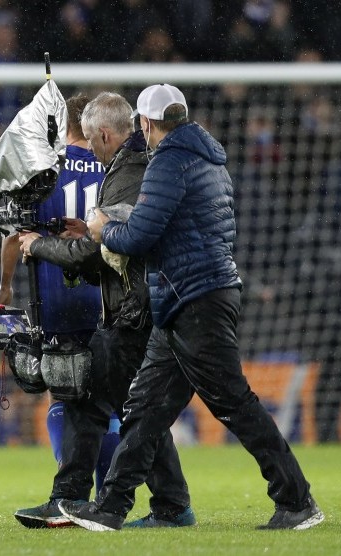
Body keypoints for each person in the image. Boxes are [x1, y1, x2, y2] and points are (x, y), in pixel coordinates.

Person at [61, 83, 323, 531]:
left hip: (194, 296)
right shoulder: (208, 157)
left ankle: (297, 500)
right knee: (144, 405)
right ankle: (112, 508)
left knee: (234, 403)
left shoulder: (169, 162)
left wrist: (103, 230)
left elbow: (142, 236)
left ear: (145, 124)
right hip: (188, 295)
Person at [13, 92, 194, 529]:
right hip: (134, 307)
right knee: (110, 404)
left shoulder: (129, 173)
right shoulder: (129, 167)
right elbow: (112, 246)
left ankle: (158, 504)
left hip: (137, 312)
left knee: (133, 411)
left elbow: (101, 253)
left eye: (93, 141)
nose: (89, 149)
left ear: (106, 134)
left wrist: (41, 245)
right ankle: (75, 498)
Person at [0, 94, 118, 526]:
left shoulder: (43, 171)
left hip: (56, 297)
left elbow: (14, 234)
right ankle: (107, 497)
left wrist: (6, 286)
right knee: (108, 400)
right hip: (106, 299)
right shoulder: (112, 168)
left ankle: (75, 500)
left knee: (64, 395)